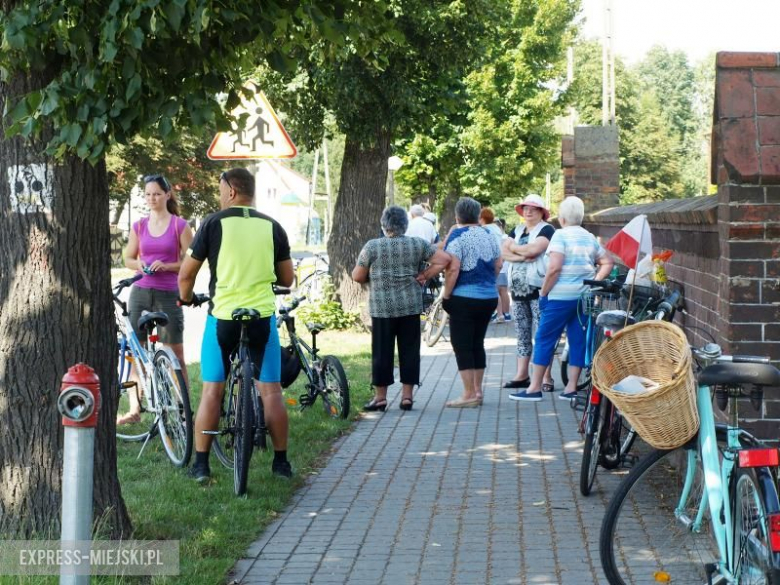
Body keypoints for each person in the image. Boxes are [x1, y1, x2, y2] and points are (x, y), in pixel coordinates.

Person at [178, 168, 295, 482]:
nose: (219, 195)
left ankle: (201, 465)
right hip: (262, 318)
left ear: (230, 190)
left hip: (223, 317)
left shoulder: (213, 223)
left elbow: (186, 274)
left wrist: (185, 298)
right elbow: (287, 279)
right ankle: (281, 463)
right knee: (271, 392)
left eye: (220, 190)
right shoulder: (273, 226)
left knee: (212, 390)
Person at [510, 196, 613, 402]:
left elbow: (554, 268)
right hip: (583, 298)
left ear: (562, 218)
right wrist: (593, 282)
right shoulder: (589, 237)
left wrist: (544, 292)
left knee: (544, 339)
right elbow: (607, 262)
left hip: (559, 297)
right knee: (577, 340)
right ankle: (571, 388)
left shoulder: (559, 236)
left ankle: (534, 388)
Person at [352, 206, 450, 412]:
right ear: (405, 225)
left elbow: (357, 276)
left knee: (382, 353)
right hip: (410, 306)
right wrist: (424, 275)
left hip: (382, 309)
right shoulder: (417, 244)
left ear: (384, 225)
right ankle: (407, 397)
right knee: (409, 351)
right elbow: (444, 260)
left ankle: (380, 398)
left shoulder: (372, 246)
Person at [118, 174, 193, 425]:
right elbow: (128, 258)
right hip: (140, 291)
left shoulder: (179, 225)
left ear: (167, 195)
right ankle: (134, 410)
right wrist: (139, 264)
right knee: (136, 351)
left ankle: (184, 409)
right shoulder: (139, 226)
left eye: (157, 194)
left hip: (168, 293)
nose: (152, 198)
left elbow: (191, 261)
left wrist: (168, 265)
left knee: (175, 353)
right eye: (148, 194)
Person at [442, 197, 502, 408]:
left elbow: (453, 269)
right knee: (477, 343)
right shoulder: (489, 234)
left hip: (464, 298)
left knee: (462, 345)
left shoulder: (457, 236)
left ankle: (468, 394)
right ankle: (478, 391)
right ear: (478, 215)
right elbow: (498, 264)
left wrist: (446, 295)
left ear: (457, 216)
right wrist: (489, 282)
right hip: (489, 297)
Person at [501, 194, 556, 393]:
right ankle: (522, 374)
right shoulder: (516, 230)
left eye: (533, 208)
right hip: (517, 290)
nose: (528, 211)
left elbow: (535, 249)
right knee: (522, 333)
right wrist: (521, 256)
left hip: (538, 289)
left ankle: (546, 376)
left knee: (542, 334)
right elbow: (503, 252)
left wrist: (514, 248)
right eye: (525, 208)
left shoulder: (547, 230)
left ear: (542, 212)